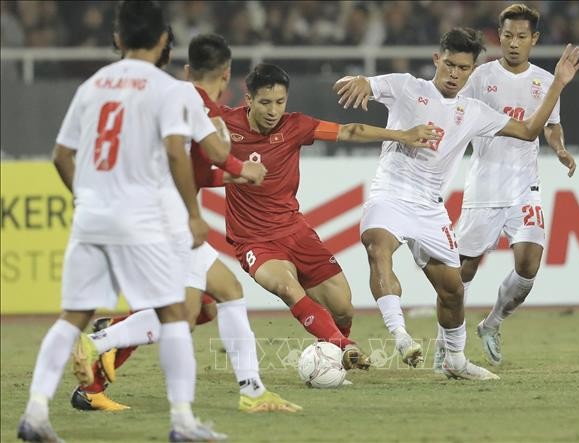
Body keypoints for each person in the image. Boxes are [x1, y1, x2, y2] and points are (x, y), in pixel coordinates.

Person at [17, 2, 228, 442]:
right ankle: (183, 422)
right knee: (174, 315)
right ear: (163, 42)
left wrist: (84, 197)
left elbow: (61, 155)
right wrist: (192, 215)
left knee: (71, 317)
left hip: (92, 216)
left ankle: (35, 413)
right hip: (142, 218)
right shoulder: (168, 89)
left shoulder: (92, 85)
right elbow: (176, 152)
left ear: (117, 39)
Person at [69, 33, 301, 414]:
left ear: (188, 68)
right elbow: (216, 152)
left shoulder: (167, 97)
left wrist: (230, 177)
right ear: (226, 74)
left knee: (207, 303)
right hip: (167, 220)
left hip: (148, 212)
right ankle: (100, 341)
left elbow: (185, 168)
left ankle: (252, 391)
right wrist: (244, 168)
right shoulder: (195, 104)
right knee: (215, 301)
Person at [333, 27, 579, 378]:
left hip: (431, 208)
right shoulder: (408, 86)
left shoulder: (474, 111)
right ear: (437, 59)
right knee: (378, 247)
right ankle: (401, 336)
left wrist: (557, 84)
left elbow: (528, 132)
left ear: (472, 70)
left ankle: (455, 360)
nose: (454, 74)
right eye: (449, 64)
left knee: (452, 291)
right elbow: (367, 83)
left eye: (463, 68)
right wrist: (359, 80)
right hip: (390, 193)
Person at [220, 63, 442, 371]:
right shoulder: (223, 126)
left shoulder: (295, 126)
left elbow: (350, 130)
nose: (273, 110)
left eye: (280, 102)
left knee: (343, 307)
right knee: (287, 287)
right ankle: (344, 347)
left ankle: (335, 353)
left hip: (295, 231)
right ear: (248, 100)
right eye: (265, 102)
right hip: (254, 240)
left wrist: (402, 135)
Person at [455, 4, 577, 367]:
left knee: (528, 263)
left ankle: (491, 324)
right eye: (507, 35)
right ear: (500, 35)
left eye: (521, 37)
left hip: (525, 186)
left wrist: (559, 148)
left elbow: (551, 124)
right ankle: (450, 340)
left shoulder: (544, 80)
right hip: (484, 185)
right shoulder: (479, 77)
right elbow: (458, 116)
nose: (513, 43)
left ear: (534, 39)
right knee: (464, 269)